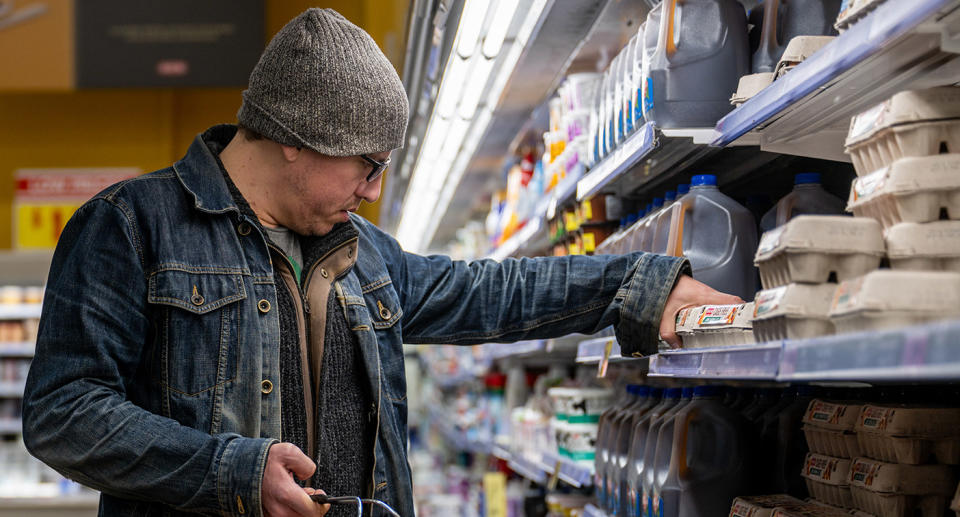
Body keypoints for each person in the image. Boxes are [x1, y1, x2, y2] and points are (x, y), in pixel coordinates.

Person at [21, 8, 740, 517]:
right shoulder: (130, 226)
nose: (371, 192)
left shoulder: (360, 255)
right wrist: (232, 471)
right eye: (366, 166)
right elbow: (64, 411)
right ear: (294, 137)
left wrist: (640, 284)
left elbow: (489, 291)